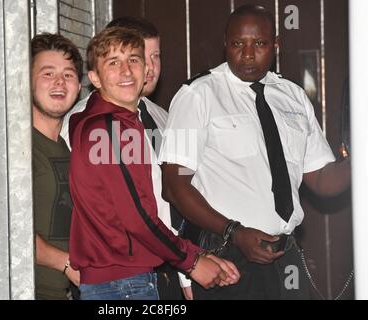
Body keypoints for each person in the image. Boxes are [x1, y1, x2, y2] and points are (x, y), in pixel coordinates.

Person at [160, 4, 350, 300]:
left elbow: (322, 180)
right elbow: (175, 184)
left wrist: (358, 162)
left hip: (285, 255)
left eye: (259, 44)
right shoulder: (197, 95)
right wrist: (234, 232)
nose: (248, 54)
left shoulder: (293, 96)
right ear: (226, 43)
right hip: (226, 256)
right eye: (238, 44)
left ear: (276, 45)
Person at [66, 26, 240, 300]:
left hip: (153, 267)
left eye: (136, 59)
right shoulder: (106, 126)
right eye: (114, 63)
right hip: (122, 281)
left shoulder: (161, 117)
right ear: (94, 78)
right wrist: (192, 262)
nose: (127, 71)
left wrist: (192, 260)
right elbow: (136, 217)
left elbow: (174, 193)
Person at [105, 16, 184, 300]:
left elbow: (175, 194)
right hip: (119, 276)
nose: (150, 67)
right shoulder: (84, 122)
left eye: (156, 56)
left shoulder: (163, 117)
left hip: (170, 268)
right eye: (141, 57)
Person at [30, 33, 82, 299]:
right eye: (48, 74)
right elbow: (8, 228)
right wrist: (66, 263)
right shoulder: (17, 149)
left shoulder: (70, 149)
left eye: (69, 75)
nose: (60, 82)